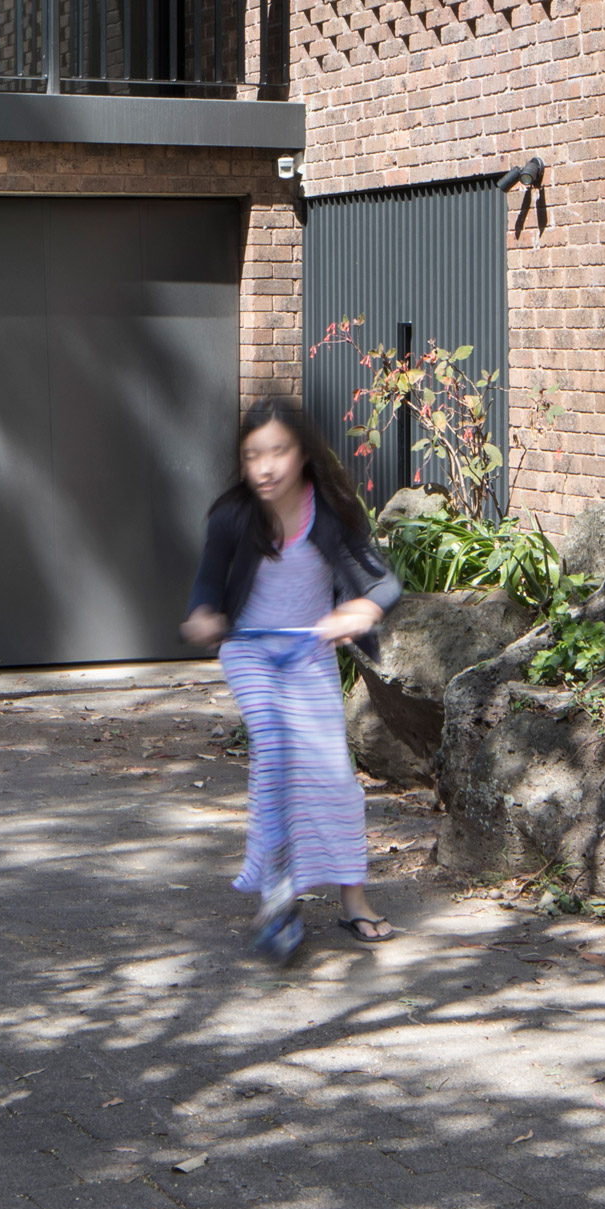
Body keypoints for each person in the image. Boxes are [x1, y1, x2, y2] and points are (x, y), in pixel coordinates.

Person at [181, 393, 404, 958]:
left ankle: (353, 898)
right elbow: (208, 581)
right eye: (253, 455)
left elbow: (383, 582)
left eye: (278, 451)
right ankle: (277, 893)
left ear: (302, 454)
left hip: (309, 652)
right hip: (249, 651)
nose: (265, 466)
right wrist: (203, 613)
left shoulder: (328, 512)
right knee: (277, 750)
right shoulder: (232, 516)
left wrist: (363, 608)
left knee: (335, 778)